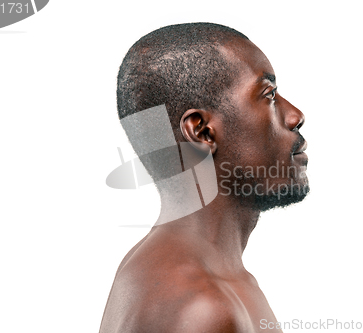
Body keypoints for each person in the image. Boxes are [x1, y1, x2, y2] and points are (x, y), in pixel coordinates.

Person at [100, 22, 309, 333]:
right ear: (202, 131)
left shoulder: (209, 278)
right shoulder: (200, 307)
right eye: (269, 94)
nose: (294, 116)